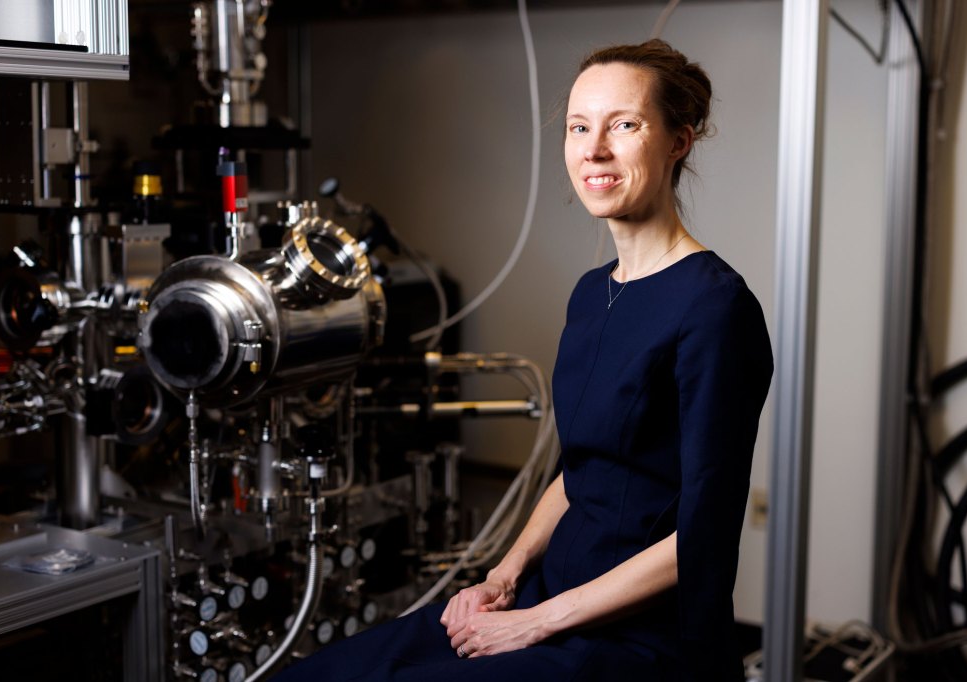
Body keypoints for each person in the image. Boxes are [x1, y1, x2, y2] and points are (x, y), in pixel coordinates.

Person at [273, 38, 773, 682]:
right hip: (545, 594)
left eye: (624, 125)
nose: (594, 148)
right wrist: (502, 579)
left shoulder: (715, 308)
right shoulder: (594, 293)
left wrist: (534, 623)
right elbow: (579, 471)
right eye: (578, 126)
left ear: (679, 140)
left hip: (634, 638)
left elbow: (705, 536)